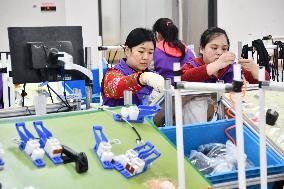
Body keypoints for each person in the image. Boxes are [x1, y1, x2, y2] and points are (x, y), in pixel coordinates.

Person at [102, 28, 165, 107]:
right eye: (141, 51)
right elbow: (115, 86)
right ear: (127, 51)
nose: (146, 57)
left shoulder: (152, 76)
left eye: (150, 52)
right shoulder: (112, 74)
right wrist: (141, 78)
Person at [181, 27, 270, 83]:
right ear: (202, 49)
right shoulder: (192, 65)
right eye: (214, 48)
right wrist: (217, 64)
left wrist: (255, 69)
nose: (220, 52)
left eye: (224, 49)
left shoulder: (233, 68)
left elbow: (266, 81)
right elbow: (182, 78)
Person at [152, 18, 195, 84]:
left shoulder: (153, 51)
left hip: (163, 90)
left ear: (158, 34)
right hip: (186, 90)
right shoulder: (189, 51)